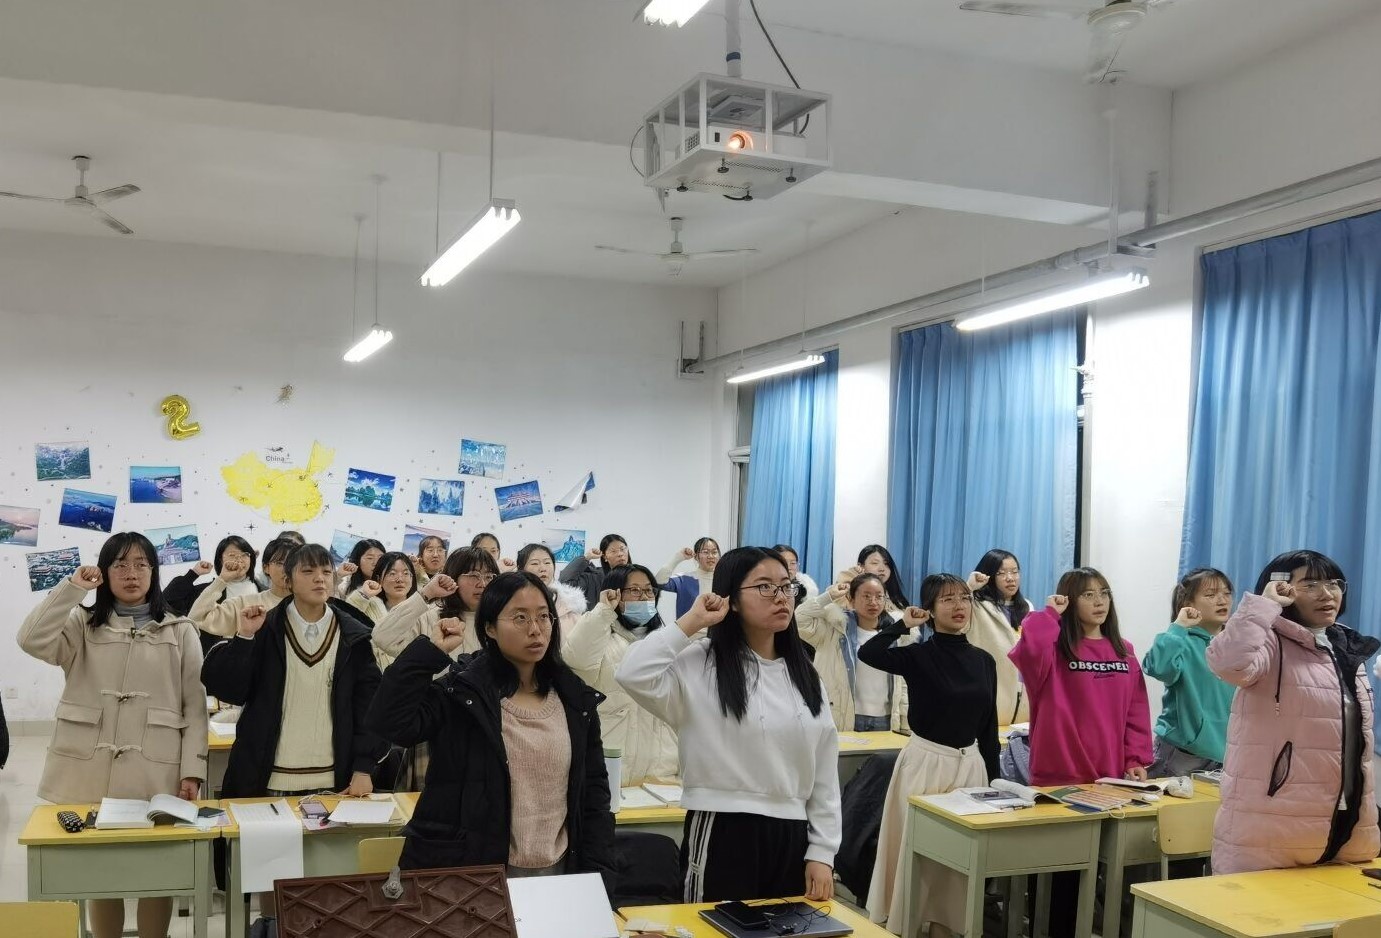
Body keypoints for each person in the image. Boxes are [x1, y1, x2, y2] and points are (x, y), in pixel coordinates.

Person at [617, 547, 839, 903]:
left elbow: (825, 770)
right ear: (732, 599)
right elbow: (631, 673)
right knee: (713, 926)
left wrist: (822, 851)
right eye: (765, 587)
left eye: (786, 586)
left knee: (784, 926)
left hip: (792, 833)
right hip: (723, 825)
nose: (780, 597)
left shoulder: (804, 673)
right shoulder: (701, 662)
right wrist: (692, 621)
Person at [367, 572, 616, 888]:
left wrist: (598, 876)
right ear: (489, 628)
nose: (535, 629)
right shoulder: (463, 693)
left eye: (543, 616)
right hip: (473, 877)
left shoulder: (574, 699)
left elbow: (594, 795)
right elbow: (390, 722)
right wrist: (430, 653)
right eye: (520, 618)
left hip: (559, 874)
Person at [18, 533, 207, 938]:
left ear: (154, 572)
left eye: (141, 564)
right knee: (100, 871)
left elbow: (194, 703)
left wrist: (193, 770)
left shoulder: (180, 629)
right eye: (120, 565)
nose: (131, 574)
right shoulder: (81, 625)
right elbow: (30, 639)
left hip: (156, 769)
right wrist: (72, 589)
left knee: (157, 871)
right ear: (104, 573)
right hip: (87, 769)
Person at [201, 542, 386, 936]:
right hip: (269, 779)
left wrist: (364, 767)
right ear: (287, 579)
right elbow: (229, 687)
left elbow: (370, 709)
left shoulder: (353, 635)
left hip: (334, 781)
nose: (320, 579)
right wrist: (244, 638)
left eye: (326, 571)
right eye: (308, 571)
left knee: (328, 880)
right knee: (272, 880)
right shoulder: (264, 627)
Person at [1207, 550, 1379, 874]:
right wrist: (1264, 605)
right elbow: (1228, 663)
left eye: (1334, 583)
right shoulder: (1269, 641)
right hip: (1272, 833)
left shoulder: (1346, 649)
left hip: (1346, 827)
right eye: (1310, 585)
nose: (1327, 593)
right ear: (1282, 588)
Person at [1008, 567, 1152, 938]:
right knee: (1059, 876)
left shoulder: (1123, 650)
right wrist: (1048, 615)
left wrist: (1135, 758)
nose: (1099, 601)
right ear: (1070, 600)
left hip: (1109, 780)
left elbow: (1136, 711)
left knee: (1097, 873)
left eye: (1104, 593)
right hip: (1060, 778)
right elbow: (1028, 650)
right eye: (1088, 595)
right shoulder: (1053, 649)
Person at [860, 574, 999, 936]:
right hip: (925, 764)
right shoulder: (919, 655)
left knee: (958, 863)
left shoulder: (984, 660)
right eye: (947, 600)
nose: (959, 606)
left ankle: (945, 928)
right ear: (930, 610)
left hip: (970, 768)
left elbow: (988, 728)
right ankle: (906, 924)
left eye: (964, 598)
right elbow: (869, 653)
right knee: (916, 855)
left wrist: (996, 783)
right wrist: (903, 624)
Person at [564, 564, 679, 785]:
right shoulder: (600, 637)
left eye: (649, 590)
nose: (644, 597)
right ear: (615, 594)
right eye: (634, 590)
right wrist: (603, 611)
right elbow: (576, 659)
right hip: (612, 770)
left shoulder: (665, 642)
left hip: (662, 773)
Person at [1142, 567, 1237, 777]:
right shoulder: (1181, 640)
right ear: (1188, 604)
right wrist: (1178, 626)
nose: (1222, 600)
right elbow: (1158, 668)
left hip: (1226, 756)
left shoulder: (1236, 644)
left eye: (1227, 593)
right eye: (1210, 595)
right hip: (1183, 754)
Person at [795, 573, 917, 732]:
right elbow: (798, 619)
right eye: (866, 596)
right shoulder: (833, 629)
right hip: (843, 716)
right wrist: (829, 596)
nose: (873, 602)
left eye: (879, 596)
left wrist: (905, 723)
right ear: (851, 599)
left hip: (886, 720)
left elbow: (903, 683)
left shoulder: (896, 635)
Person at [373, 547, 498, 661]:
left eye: (488, 576)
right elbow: (382, 637)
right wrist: (426, 593)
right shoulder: (429, 618)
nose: (482, 584)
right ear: (453, 577)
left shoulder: (499, 622)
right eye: (473, 575)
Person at [965, 549, 1032, 725]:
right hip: (990, 701)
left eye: (1015, 571)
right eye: (1001, 573)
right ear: (988, 576)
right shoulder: (975, 606)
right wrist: (969, 588)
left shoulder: (1027, 608)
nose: (1011, 578)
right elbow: (954, 618)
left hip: (1024, 705)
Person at [187, 536, 294, 637]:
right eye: (280, 563)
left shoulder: (304, 601)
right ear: (265, 567)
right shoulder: (244, 604)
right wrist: (221, 580)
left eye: (293, 563)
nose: (287, 569)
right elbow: (197, 617)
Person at [163, 535, 259, 616]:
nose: (239, 559)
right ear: (221, 560)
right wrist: (193, 573)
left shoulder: (261, 587)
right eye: (232, 555)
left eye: (244, 554)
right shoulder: (208, 592)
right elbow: (167, 601)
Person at [517, 542, 589, 628]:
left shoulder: (570, 605)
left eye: (547, 563)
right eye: (535, 563)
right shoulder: (513, 602)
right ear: (521, 569)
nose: (543, 568)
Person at [561, 534, 632, 610]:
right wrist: (586, 558)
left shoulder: (636, 576)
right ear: (604, 557)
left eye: (622, 549)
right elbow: (566, 585)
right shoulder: (594, 577)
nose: (620, 554)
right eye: (613, 551)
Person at [656, 537, 720, 619]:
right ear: (696, 556)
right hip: (690, 627)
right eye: (705, 552)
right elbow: (658, 581)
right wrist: (678, 557)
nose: (710, 556)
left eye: (714, 552)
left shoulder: (725, 580)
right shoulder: (685, 579)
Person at [839, 545, 910, 610]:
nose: (882, 569)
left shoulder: (895, 598)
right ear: (860, 566)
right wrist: (856, 576)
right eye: (875, 563)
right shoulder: (848, 586)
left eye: (886, 564)